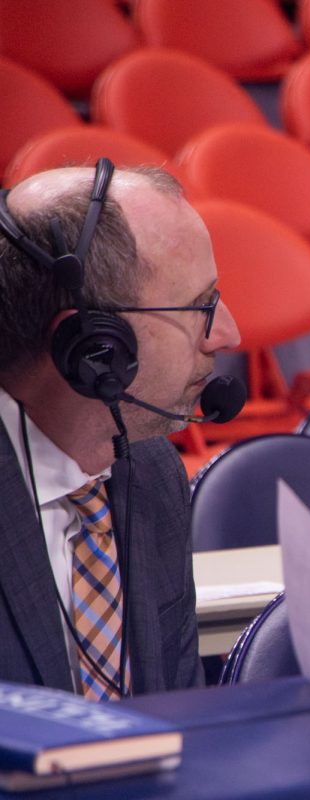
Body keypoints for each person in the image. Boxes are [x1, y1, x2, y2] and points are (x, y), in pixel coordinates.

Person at [0, 160, 241, 697]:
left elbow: (176, 710)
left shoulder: (150, 471)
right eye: (202, 306)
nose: (228, 334)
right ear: (94, 346)